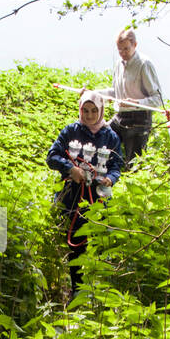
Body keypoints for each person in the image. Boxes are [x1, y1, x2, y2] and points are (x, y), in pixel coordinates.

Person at [46, 90, 123, 298]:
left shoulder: (110, 136)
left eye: (94, 111)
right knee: (76, 243)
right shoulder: (71, 131)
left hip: (98, 198)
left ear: (101, 111)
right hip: (73, 195)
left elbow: (117, 165)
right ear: (80, 109)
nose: (89, 115)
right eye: (85, 110)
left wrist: (111, 178)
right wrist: (70, 169)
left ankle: (101, 292)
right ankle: (77, 290)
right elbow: (52, 156)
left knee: (101, 242)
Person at [102, 28, 163, 164]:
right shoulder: (119, 64)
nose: (123, 53)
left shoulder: (144, 64)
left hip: (140, 119)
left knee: (133, 163)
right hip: (120, 117)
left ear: (135, 45)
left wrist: (135, 102)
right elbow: (115, 93)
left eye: (126, 49)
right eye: (119, 50)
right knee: (101, 140)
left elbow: (157, 99)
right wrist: (93, 93)